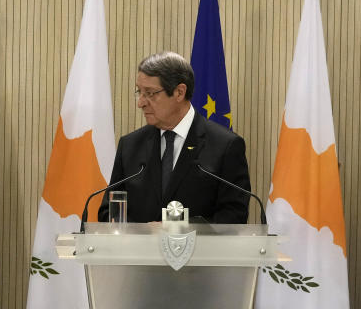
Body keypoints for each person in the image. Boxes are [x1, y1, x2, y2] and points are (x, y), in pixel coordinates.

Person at [99, 51, 251, 223]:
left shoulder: (225, 146)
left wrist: (177, 228)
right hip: (139, 250)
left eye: (150, 93)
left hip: (199, 249)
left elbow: (234, 216)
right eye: (139, 92)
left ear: (179, 92)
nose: (140, 103)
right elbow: (108, 212)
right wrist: (141, 234)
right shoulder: (130, 145)